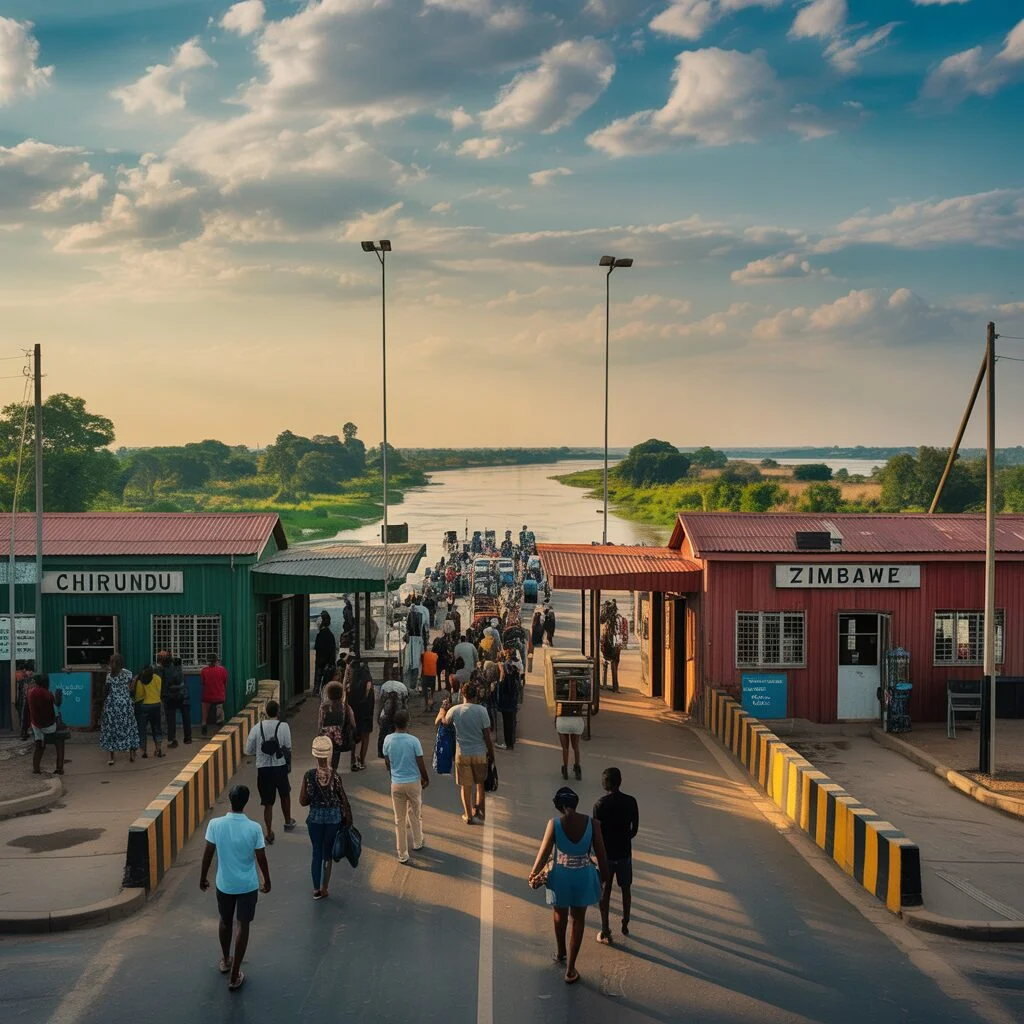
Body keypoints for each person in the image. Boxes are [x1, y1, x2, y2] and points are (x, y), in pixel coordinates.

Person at [528, 787, 609, 986]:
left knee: (559, 915)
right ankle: (571, 969)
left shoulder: (554, 824)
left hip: (560, 876)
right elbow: (601, 855)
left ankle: (560, 952)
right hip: (583, 876)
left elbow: (543, 853)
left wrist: (533, 873)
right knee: (578, 920)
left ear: (560, 806)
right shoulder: (593, 824)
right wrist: (604, 880)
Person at [200, 784, 271, 992]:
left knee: (225, 921)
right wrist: (267, 880)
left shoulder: (215, 824)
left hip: (225, 884)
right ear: (246, 802)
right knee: (243, 925)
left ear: (230, 800)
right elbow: (261, 857)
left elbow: (208, 853)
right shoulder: (254, 828)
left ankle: (225, 959)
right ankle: (235, 973)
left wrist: (203, 877)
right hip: (247, 885)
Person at [299, 736, 353, 900]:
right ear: (329, 754)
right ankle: (325, 888)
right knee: (327, 853)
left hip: (315, 818)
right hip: (333, 819)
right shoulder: (335, 776)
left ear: (315, 755)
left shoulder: (309, 775)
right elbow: (342, 799)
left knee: (316, 851)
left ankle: (316, 889)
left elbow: (303, 801)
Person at [593, 767, 640, 944]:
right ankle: (625, 922)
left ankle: (605, 928)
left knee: (605, 890)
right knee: (626, 889)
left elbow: (597, 833)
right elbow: (634, 829)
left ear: (606, 783)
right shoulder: (631, 801)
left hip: (607, 855)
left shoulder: (599, 804)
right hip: (624, 853)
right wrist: (625, 838)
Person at [245, 700, 295, 844]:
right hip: (280, 767)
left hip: (263, 769)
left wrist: (260, 753)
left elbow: (248, 750)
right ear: (278, 712)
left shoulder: (256, 728)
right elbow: (288, 746)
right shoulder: (284, 726)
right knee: (285, 794)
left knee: (268, 802)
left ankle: (268, 832)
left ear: (266, 712)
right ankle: (288, 821)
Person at [444, 682, 495, 825]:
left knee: (465, 786)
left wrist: (442, 712)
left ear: (462, 693)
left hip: (462, 754)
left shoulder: (455, 710)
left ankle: (468, 815)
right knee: (480, 785)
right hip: (479, 753)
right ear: (476, 695)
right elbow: (487, 736)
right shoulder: (482, 711)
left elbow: (445, 723)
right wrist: (491, 754)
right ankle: (480, 812)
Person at [383, 709, 429, 863]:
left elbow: (387, 762)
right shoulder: (413, 741)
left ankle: (402, 854)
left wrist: (394, 773)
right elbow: (420, 762)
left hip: (396, 783)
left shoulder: (388, 740)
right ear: (408, 723)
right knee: (415, 813)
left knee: (399, 819)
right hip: (413, 782)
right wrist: (425, 778)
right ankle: (417, 841)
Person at [100, 654, 140, 766]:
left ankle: (111, 758)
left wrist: (103, 706)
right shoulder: (128, 673)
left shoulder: (109, 676)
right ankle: (131, 755)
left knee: (111, 731)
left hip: (112, 706)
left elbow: (106, 692)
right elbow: (131, 689)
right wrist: (135, 679)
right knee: (129, 728)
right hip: (125, 705)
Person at [28, 674, 65, 776]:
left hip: (35, 725)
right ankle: (59, 768)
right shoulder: (48, 695)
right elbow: (55, 711)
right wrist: (58, 699)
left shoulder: (31, 692)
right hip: (48, 727)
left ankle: (36, 768)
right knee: (60, 741)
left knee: (39, 745)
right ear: (46, 683)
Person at [319, 681, 356, 772]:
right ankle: (334, 772)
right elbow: (353, 723)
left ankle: (328, 771)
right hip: (339, 737)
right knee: (336, 756)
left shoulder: (323, 707)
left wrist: (320, 735)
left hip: (326, 736)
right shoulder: (345, 707)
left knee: (327, 758)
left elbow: (320, 722)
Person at [346, 659, 375, 771]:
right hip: (367, 712)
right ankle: (362, 761)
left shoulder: (350, 685)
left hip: (354, 713)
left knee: (354, 736)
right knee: (365, 736)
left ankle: (353, 760)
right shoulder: (367, 680)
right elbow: (368, 687)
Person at [159, 650, 191, 748]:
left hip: (170, 697)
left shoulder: (164, 670)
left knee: (171, 719)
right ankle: (188, 738)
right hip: (183, 695)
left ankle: (173, 740)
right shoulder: (179, 668)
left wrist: (163, 696)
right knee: (186, 717)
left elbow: (164, 685)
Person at [133, 664, 164, 759]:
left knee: (142, 729)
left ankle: (144, 751)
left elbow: (139, 696)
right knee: (157, 728)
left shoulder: (141, 680)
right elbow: (159, 691)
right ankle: (158, 749)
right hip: (156, 705)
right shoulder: (158, 678)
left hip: (144, 707)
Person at [377, 674, 409, 759]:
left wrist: (378, 715)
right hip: (399, 715)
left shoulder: (385, 686)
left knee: (383, 735)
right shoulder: (403, 687)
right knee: (402, 734)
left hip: (387, 715)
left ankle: (382, 753)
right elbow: (405, 705)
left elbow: (381, 703)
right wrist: (407, 718)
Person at [495, 653, 520, 750]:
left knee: (506, 724)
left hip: (505, 705)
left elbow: (501, 690)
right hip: (512, 704)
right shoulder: (513, 677)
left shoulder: (505, 680)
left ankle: (508, 743)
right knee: (511, 723)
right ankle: (511, 742)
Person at [201, 655, 228, 736]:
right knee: (220, 706)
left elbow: (202, 683)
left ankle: (204, 724)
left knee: (205, 708)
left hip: (207, 696)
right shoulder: (223, 670)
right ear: (217, 661)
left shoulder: (204, 671)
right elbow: (225, 684)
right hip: (219, 696)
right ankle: (220, 720)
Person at [313, 612, 337, 697]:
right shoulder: (330, 635)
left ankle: (317, 693)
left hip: (320, 661)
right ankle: (325, 695)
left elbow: (316, 648)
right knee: (326, 683)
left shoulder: (320, 635)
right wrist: (331, 662)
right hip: (328, 662)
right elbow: (333, 650)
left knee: (318, 680)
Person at [601, 614, 621, 693]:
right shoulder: (612, 629)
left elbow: (603, 641)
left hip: (609, 652)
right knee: (612, 668)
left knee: (606, 667)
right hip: (611, 652)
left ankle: (606, 685)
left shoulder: (605, 628)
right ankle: (614, 687)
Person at [420, 646, 439, 712]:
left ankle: (426, 705)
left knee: (425, 692)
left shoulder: (423, 655)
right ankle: (432, 706)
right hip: (433, 675)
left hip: (425, 675)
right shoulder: (436, 655)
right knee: (432, 691)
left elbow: (422, 663)